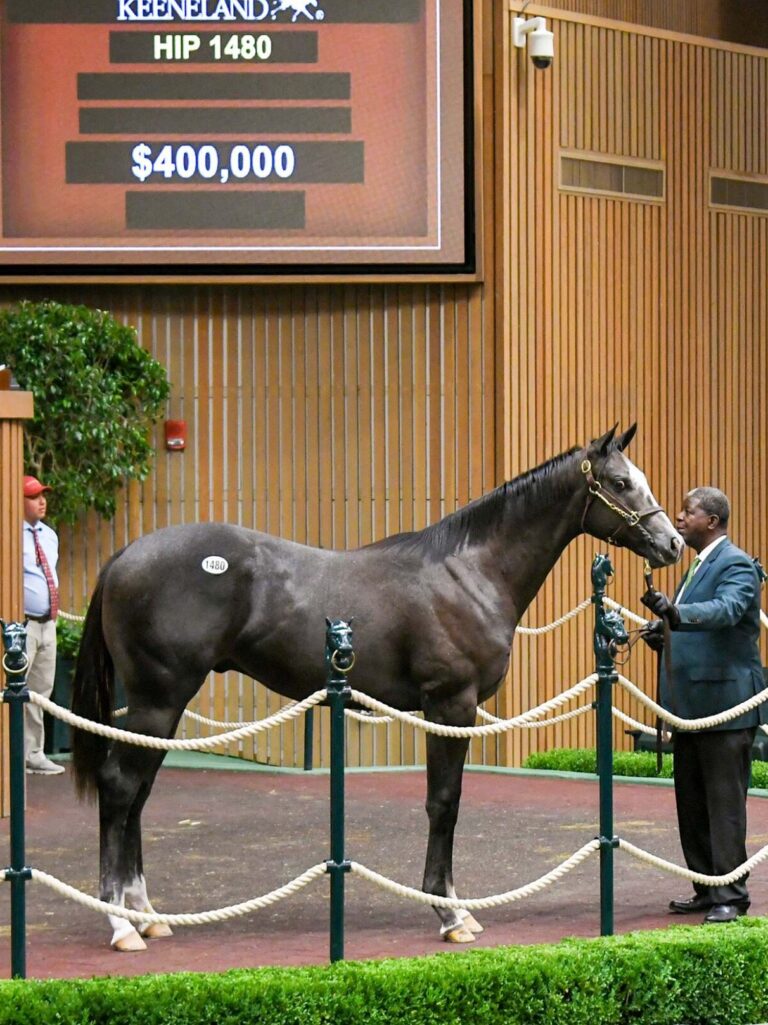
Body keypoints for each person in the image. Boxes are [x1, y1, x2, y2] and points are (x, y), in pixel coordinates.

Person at [640, 486, 766, 923]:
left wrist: (676, 615)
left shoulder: (736, 563)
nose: (678, 517)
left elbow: (726, 611)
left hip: (725, 706)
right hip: (692, 707)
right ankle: (707, 888)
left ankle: (731, 895)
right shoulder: (696, 567)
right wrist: (663, 632)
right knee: (692, 804)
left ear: (711, 521)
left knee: (723, 806)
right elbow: (697, 628)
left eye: (687, 511)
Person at [22, 474, 64, 775]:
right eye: (34, 496)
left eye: (43, 495)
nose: (42, 501)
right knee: (11, 690)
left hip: (47, 624)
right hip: (20, 624)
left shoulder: (49, 535)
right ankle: (8, 755)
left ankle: (33, 753)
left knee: (40, 692)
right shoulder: (8, 533)